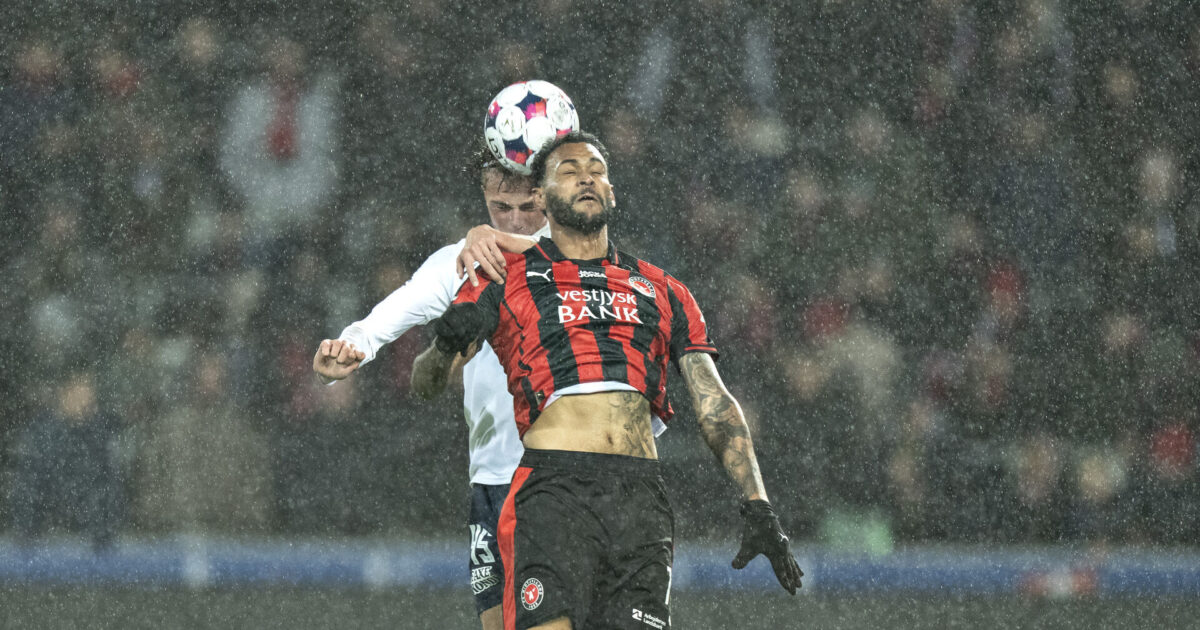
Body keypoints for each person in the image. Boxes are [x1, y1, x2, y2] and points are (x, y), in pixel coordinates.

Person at [433, 131, 802, 630]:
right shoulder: (506, 276)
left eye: (596, 169)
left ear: (611, 191)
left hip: (639, 502)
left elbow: (715, 400)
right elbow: (426, 382)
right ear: (539, 198)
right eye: (568, 170)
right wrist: (440, 349)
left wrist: (758, 503)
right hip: (553, 491)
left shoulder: (665, 289)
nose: (586, 175)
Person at [313, 149, 548, 630]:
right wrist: (354, 343)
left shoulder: (582, 266)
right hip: (494, 481)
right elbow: (393, 313)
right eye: (502, 207)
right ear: (484, 195)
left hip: (564, 474)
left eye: (529, 207)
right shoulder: (466, 261)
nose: (516, 220)